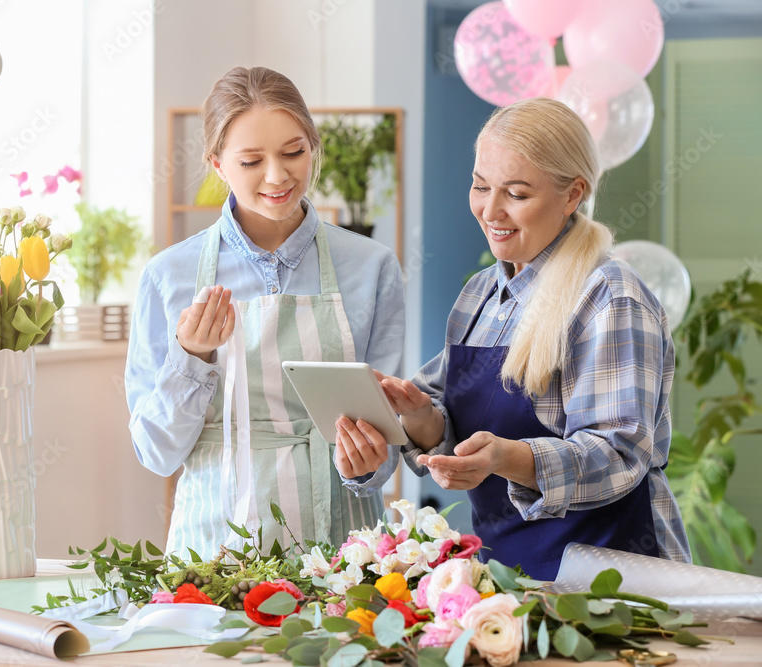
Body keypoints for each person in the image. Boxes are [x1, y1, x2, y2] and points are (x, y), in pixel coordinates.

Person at [336, 98, 691, 580]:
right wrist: (419, 418)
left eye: (517, 194)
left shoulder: (610, 296)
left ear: (573, 195)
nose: (490, 209)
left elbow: (619, 455)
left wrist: (508, 457)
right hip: (510, 577)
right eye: (480, 186)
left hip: (617, 579)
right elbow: (447, 418)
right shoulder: (481, 295)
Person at [125, 66, 405, 559]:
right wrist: (191, 357)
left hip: (347, 551)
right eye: (252, 160)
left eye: (294, 152)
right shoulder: (168, 276)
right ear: (217, 164)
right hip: (215, 548)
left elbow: (388, 438)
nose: (277, 176)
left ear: (312, 147)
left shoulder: (372, 266)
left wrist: (368, 462)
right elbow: (157, 453)